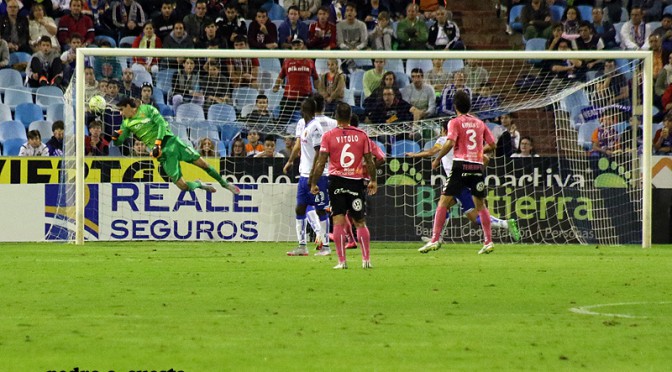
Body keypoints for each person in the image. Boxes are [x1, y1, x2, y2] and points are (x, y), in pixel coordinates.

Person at [406, 125, 520, 244]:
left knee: (475, 218)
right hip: (464, 180)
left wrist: (414, 155)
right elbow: (485, 159)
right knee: (445, 206)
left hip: (458, 182)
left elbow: (431, 152)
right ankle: (437, 238)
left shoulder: (444, 139)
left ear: (444, 131)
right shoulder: (463, 143)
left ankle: (506, 223)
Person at [419, 90, 497, 255]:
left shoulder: (454, 122)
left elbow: (449, 143)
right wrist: (479, 151)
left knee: (443, 202)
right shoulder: (479, 123)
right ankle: (488, 241)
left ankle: (434, 240)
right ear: (469, 106)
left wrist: (437, 159)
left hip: (460, 166)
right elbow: (493, 144)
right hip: (476, 166)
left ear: (455, 107)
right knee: (481, 205)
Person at [114, 97, 240, 194]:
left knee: (204, 164)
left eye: (121, 110)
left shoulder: (147, 109)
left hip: (172, 143)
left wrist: (157, 143)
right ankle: (199, 184)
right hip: (163, 155)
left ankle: (225, 184)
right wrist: (116, 137)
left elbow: (162, 125)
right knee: (183, 187)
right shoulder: (126, 124)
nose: (120, 114)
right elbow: (119, 142)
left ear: (128, 106)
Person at [309, 102, 378, 269]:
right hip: (356, 181)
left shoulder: (329, 136)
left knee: (338, 221)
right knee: (360, 221)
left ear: (336, 117)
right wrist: (374, 180)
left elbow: (320, 163)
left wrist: (313, 182)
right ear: (350, 115)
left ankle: (342, 262)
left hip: (337, 181)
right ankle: (366, 260)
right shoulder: (362, 135)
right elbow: (369, 160)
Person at [283, 94, 337, 256]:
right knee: (300, 208)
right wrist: (291, 161)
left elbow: (319, 155)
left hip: (318, 177)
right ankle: (302, 246)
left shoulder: (315, 128)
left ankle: (326, 247)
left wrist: (314, 178)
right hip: (303, 175)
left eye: (302, 108)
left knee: (321, 210)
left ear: (305, 110)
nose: (300, 110)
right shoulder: (305, 126)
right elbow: (301, 147)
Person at [272, 37, 318, 125]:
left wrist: (319, 90)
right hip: (290, 97)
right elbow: (281, 76)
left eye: (298, 44)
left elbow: (315, 78)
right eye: (294, 45)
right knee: (282, 122)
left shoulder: (310, 62)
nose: (296, 47)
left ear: (303, 46)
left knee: (310, 121)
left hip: (306, 96)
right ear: (292, 47)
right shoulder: (287, 62)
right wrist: (276, 86)